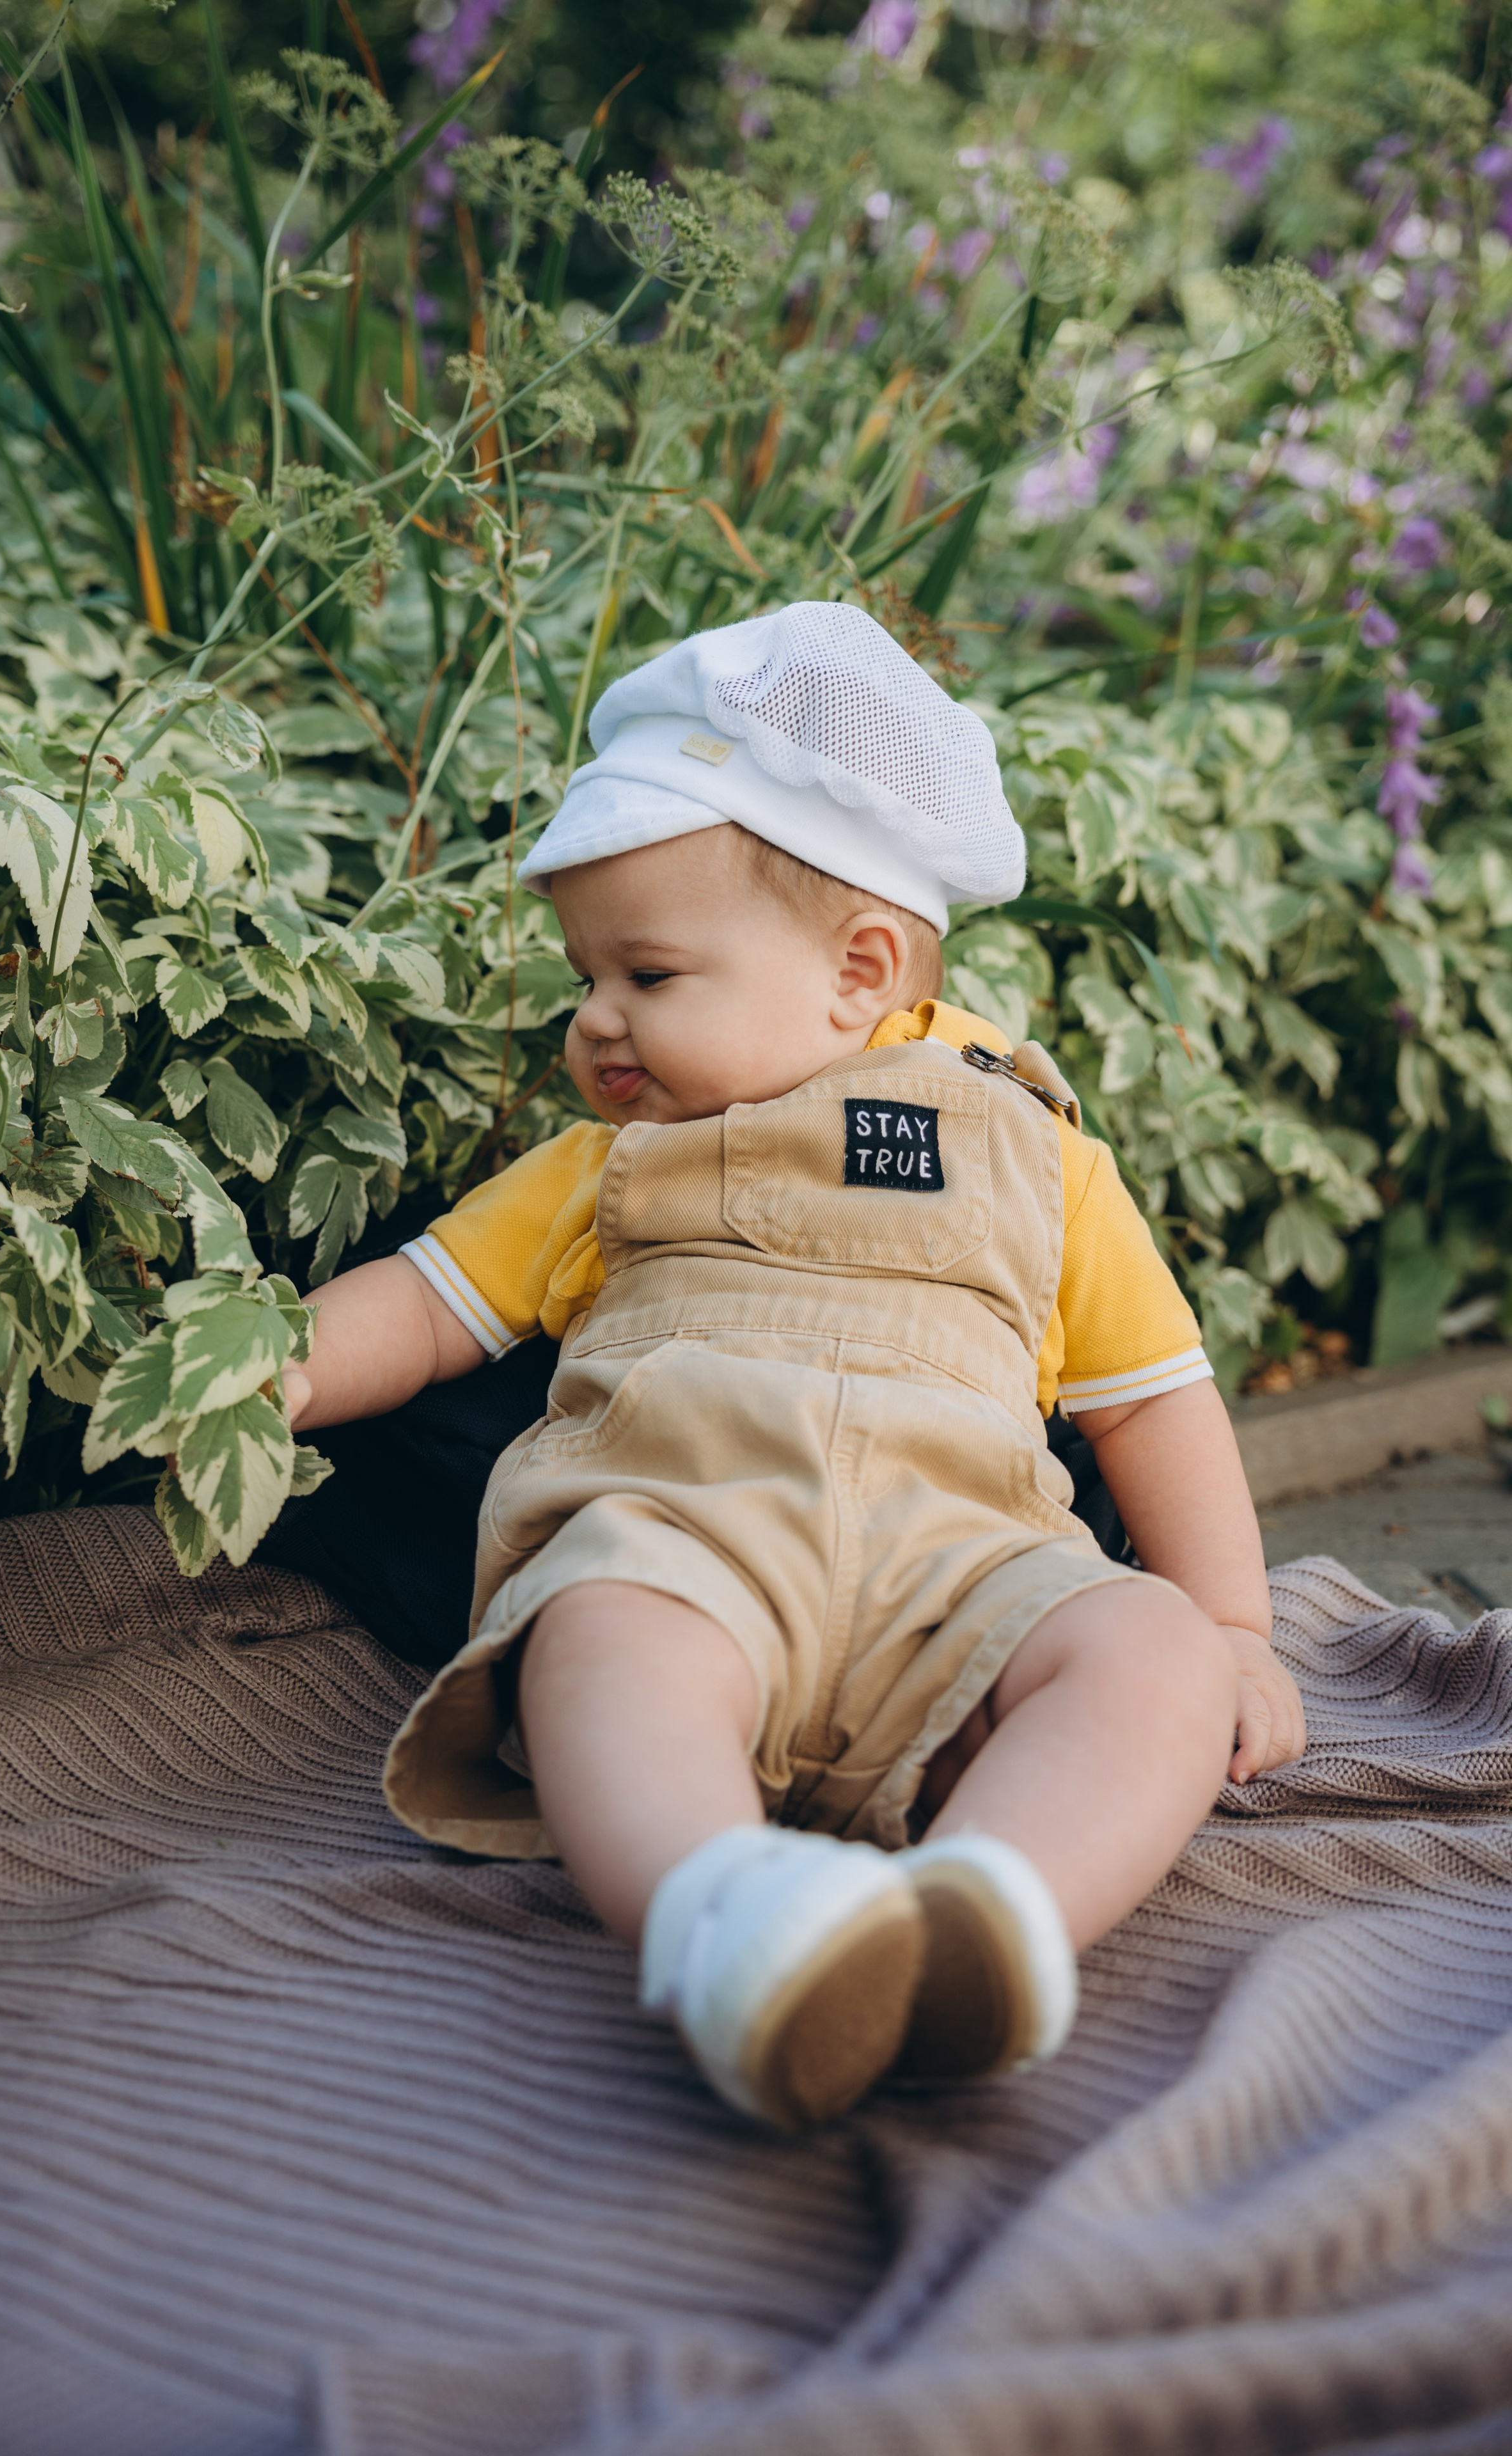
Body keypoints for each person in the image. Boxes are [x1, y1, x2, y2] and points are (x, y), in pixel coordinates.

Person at [285, 602, 1305, 2130]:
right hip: (689, 1538)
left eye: (646, 974)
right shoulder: (609, 1163)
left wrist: (1231, 1622)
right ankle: (726, 1922)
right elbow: (429, 1304)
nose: (594, 1018)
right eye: (585, 974)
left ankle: (987, 1918)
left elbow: (1149, 1392)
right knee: (599, 1642)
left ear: (857, 969)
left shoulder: (1033, 1155)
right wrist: (268, 1371)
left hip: (966, 1574)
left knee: (1143, 1658)